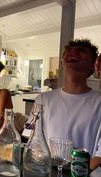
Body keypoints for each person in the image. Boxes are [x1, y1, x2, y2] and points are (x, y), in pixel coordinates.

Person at [32, 39, 101, 176]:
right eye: (69, 51)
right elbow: (33, 142)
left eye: (81, 50)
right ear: (63, 62)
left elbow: (99, 157)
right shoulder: (42, 100)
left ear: (93, 66)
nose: (73, 51)